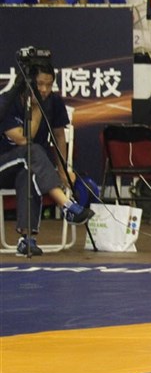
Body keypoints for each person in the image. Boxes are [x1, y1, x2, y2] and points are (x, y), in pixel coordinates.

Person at [0, 61, 94, 257]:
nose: (44, 89)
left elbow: (59, 136)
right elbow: (24, 139)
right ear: (28, 83)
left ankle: (27, 240)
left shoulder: (54, 101)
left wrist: (63, 169)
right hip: (4, 166)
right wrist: (35, 108)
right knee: (32, 150)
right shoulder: (6, 101)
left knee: (28, 175)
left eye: (49, 84)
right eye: (40, 84)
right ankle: (66, 205)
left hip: (32, 167)